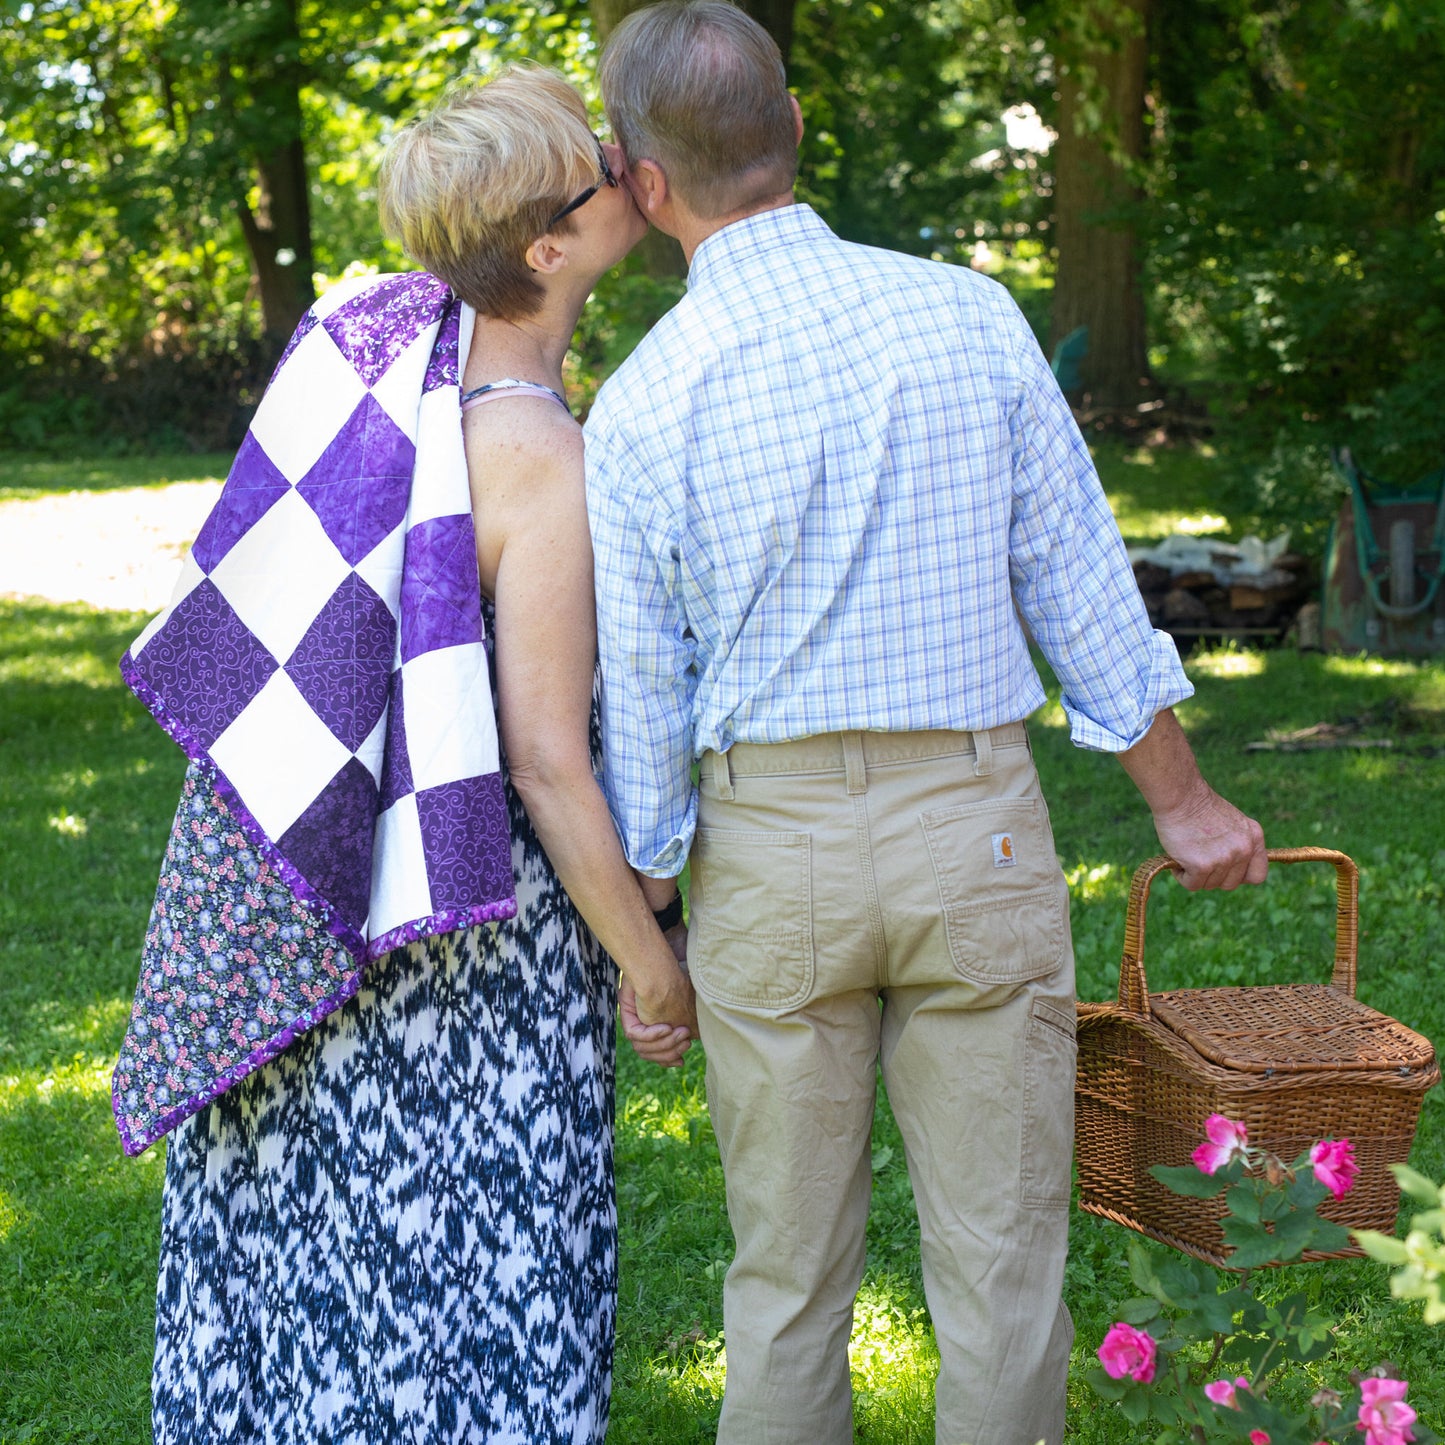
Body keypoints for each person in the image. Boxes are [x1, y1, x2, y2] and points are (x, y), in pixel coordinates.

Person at [583, 5, 1269, 1443]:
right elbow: (1080, 586)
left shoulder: (640, 404)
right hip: (975, 832)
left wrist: (649, 913)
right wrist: (1182, 801)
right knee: (1004, 1275)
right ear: (794, 136)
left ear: (643, 182)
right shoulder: (964, 316)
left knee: (779, 1281)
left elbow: (641, 696)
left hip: (765, 852)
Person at [113, 65, 694, 1445]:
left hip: (340, 905)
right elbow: (548, 761)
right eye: (599, 160)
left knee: (329, 1253)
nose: (627, 162)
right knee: (480, 1269)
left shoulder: (387, 377)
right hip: (469, 938)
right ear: (546, 247)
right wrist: (650, 960)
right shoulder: (537, 453)